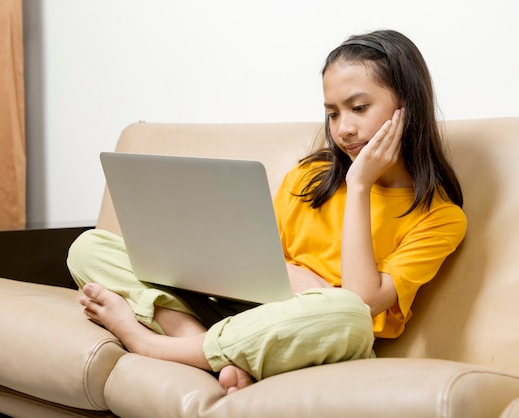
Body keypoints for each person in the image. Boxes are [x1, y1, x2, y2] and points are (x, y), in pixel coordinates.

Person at [66, 29, 467, 395]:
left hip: (316, 331)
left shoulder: (440, 218)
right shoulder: (310, 176)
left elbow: (361, 299)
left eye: (358, 107)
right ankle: (204, 346)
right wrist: (310, 283)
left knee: (344, 312)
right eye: (332, 112)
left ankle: (152, 344)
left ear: (407, 108)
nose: (343, 128)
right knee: (89, 247)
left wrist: (360, 186)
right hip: (249, 311)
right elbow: (257, 263)